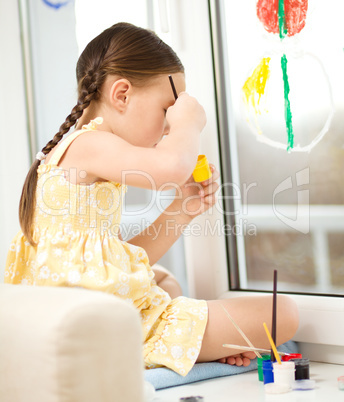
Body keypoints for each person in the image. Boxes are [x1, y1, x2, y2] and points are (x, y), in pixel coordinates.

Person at [5, 22, 298, 376]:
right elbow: (171, 166)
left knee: (163, 280)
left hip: (85, 314)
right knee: (283, 314)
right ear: (122, 95)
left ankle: (191, 343)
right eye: (166, 111)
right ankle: (178, 343)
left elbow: (112, 265)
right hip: (99, 329)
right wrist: (189, 120)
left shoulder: (74, 153)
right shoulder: (89, 144)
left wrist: (182, 209)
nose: (169, 125)